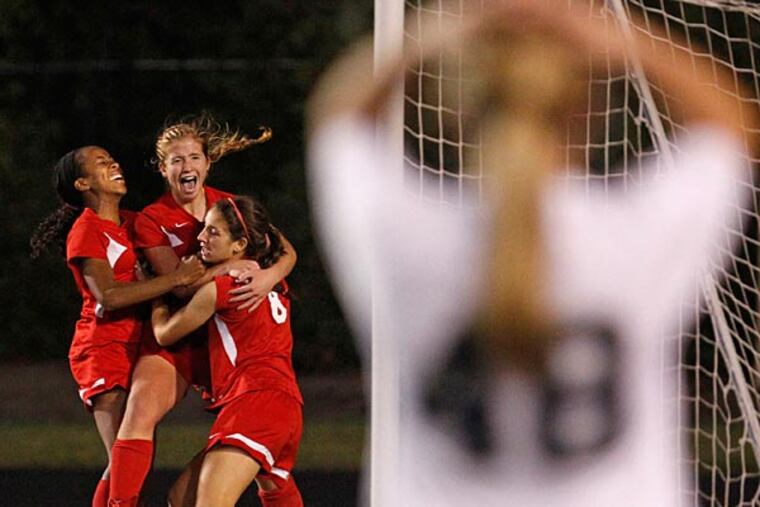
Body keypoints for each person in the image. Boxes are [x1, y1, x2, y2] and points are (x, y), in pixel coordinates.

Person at [306, 1, 756, 506]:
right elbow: (729, 128)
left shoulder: (406, 235)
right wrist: (617, 41)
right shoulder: (634, 232)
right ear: (589, 109)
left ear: (458, 109)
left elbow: (337, 122)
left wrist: (438, 33)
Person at [108, 114, 298, 506]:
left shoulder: (230, 213)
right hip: (230, 359)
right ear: (163, 168)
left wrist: (266, 274)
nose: (186, 165)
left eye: (194, 156)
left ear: (207, 163)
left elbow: (283, 250)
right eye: (176, 160)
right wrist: (237, 269)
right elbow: (177, 282)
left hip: (247, 381)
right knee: (183, 491)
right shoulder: (156, 220)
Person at [29, 146, 205, 507]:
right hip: (103, 348)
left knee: (131, 459)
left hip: (135, 345)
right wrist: (176, 279)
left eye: (112, 159)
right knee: (124, 461)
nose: (114, 165)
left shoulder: (130, 221)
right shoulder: (87, 230)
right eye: (101, 163)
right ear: (82, 183)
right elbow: (107, 295)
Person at [151, 195, 303, 507]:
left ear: (239, 245)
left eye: (213, 231)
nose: (201, 237)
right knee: (182, 499)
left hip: (255, 401)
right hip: (283, 405)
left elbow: (164, 334)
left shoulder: (221, 290)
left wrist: (155, 294)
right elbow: (278, 242)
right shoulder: (273, 278)